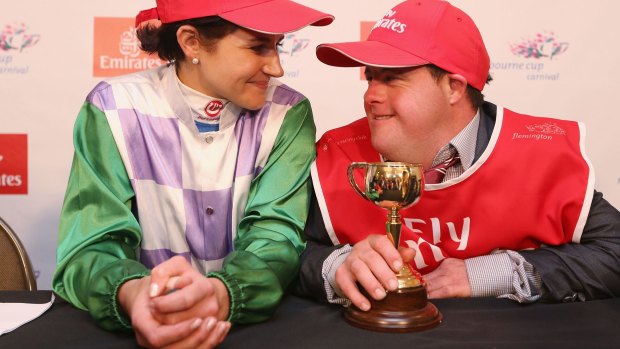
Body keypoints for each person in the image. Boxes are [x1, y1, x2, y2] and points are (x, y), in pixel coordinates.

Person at [294, 0, 620, 314]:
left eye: (393, 78)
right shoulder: (338, 153)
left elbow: (614, 250)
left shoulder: (540, 153)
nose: (371, 95)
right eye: (371, 77)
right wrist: (336, 266)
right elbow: (281, 251)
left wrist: (489, 273)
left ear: (453, 87)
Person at [52, 0, 333, 348]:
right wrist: (135, 294)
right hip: (132, 333)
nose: (276, 67)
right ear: (191, 42)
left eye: (278, 45)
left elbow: (275, 238)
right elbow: (91, 247)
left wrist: (220, 295)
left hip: (251, 334)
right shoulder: (113, 108)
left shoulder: (289, 112)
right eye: (258, 46)